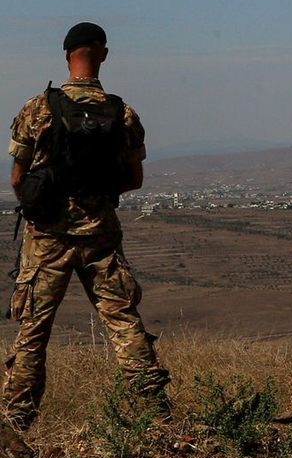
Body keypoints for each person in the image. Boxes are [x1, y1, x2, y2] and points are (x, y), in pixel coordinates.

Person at [2, 23, 169, 429]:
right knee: (124, 321)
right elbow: (133, 179)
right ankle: (155, 415)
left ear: (66, 56)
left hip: (47, 241)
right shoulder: (123, 114)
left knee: (33, 331)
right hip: (101, 237)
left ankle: (16, 422)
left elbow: (17, 179)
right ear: (104, 55)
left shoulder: (38, 108)